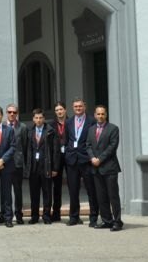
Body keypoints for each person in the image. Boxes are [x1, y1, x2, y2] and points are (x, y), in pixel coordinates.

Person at [86, 105, 123, 231]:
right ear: (95, 115)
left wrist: (99, 159)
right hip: (96, 168)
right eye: (98, 114)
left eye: (102, 114)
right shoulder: (91, 130)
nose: (100, 116)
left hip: (109, 168)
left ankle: (117, 221)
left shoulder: (113, 129)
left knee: (113, 196)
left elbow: (112, 147)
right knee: (101, 197)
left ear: (106, 115)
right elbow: (88, 145)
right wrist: (92, 158)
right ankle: (107, 220)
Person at [65, 97, 99, 227]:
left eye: (80, 106)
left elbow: (94, 141)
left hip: (86, 160)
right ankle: (74, 217)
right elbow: (68, 139)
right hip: (72, 160)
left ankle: (93, 218)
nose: (78, 108)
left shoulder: (91, 121)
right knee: (73, 190)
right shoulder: (69, 122)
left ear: (84, 107)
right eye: (75, 107)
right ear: (73, 108)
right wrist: (68, 153)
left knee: (91, 190)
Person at [26, 108, 60, 224]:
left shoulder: (51, 131)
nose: (39, 120)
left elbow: (56, 151)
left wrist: (55, 168)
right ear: (33, 119)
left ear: (44, 119)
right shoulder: (29, 131)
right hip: (33, 167)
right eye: (36, 118)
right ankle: (34, 216)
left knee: (47, 193)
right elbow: (27, 150)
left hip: (46, 166)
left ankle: (46, 216)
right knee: (34, 193)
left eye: (41, 118)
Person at [2, 103, 28, 225]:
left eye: (14, 112)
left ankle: (19, 215)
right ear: (6, 113)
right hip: (5, 164)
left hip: (17, 164)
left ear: (17, 114)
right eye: (10, 112)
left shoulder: (22, 127)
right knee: (5, 191)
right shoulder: (1, 126)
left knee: (18, 191)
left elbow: (25, 146)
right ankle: (5, 215)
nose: (12, 114)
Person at [49, 101, 68, 221]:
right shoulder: (51, 125)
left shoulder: (71, 123)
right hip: (57, 158)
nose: (59, 112)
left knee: (73, 185)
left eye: (61, 109)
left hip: (70, 156)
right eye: (57, 110)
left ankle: (74, 214)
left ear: (65, 110)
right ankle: (56, 213)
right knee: (56, 187)